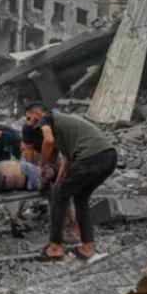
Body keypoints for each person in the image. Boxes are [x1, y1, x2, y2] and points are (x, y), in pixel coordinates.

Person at [25, 103, 117, 260]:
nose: (29, 123)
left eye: (29, 118)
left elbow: (48, 141)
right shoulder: (63, 128)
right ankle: (88, 246)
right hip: (109, 157)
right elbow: (67, 160)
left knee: (57, 198)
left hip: (90, 158)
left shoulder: (47, 118)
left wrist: (42, 166)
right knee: (80, 199)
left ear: (36, 114)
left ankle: (55, 246)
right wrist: (58, 182)